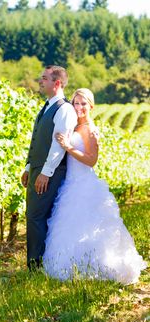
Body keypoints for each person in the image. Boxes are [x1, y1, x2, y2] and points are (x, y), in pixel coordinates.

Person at [43, 88, 147, 284]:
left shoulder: (90, 129)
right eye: (76, 103)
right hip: (70, 183)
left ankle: (96, 267)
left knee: (89, 226)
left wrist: (68, 147)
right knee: (70, 225)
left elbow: (91, 161)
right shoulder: (74, 126)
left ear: (91, 106)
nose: (79, 107)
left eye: (83, 103)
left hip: (84, 184)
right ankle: (73, 266)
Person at [21, 65, 77, 270]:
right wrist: (29, 167)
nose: (40, 81)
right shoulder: (46, 106)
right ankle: (41, 263)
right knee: (36, 215)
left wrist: (45, 173)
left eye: (44, 78)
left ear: (57, 83)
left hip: (50, 171)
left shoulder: (64, 109)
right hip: (38, 169)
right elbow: (37, 140)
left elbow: (57, 146)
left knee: (36, 216)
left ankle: (36, 265)